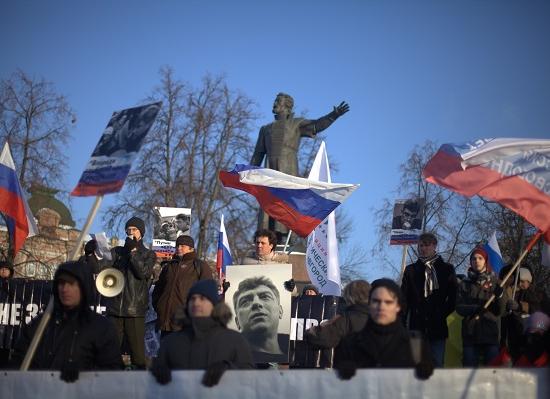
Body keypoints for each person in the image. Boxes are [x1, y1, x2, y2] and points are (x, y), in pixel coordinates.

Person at [250, 93, 349, 238]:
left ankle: (285, 238)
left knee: (286, 204)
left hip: (288, 169)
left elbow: (316, 125)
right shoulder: (265, 129)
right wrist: (248, 174)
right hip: (269, 172)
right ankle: (268, 237)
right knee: (269, 204)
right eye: (275, 100)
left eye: (278, 101)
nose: (274, 103)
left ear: (287, 106)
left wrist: (333, 115)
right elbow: (258, 154)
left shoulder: (296, 124)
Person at [11, 260, 122, 380]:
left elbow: (113, 373)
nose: (65, 289)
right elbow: (17, 362)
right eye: (61, 283)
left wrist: (84, 376)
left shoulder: (101, 328)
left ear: (83, 287)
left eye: (71, 283)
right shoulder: (41, 324)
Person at [151, 280, 254, 387]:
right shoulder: (170, 342)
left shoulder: (235, 340)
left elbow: (251, 376)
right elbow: (152, 381)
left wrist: (230, 368)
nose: (196, 303)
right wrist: (157, 370)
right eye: (192, 299)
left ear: (214, 305)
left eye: (202, 298)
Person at [335, 278, 433, 381]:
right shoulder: (350, 343)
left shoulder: (416, 344)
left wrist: (426, 369)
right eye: (376, 301)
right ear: (369, 304)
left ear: (398, 306)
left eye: (388, 302)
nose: (381, 307)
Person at [401, 232, 457, 367]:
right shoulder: (411, 270)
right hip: (416, 324)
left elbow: (454, 296)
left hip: (437, 325)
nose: (423, 248)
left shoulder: (446, 269)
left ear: (434, 246)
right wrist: (402, 321)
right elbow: (404, 299)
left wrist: (441, 313)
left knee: (437, 362)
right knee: (415, 364)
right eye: (420, 245)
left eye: (426, 245)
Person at [107, 216, 156, 369]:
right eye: (128, 230)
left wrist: (133, 252)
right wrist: (93, 256)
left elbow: (142, 272)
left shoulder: (148, 254)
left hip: (134, 309)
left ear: (141, 233)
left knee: (137, 353)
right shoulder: (117, 252)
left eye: (134, 230)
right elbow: (104, 271)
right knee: (111, 351)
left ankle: (139, 384)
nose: (130, 232)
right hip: (115, 307)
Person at [152, 235, 212, 337]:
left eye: (182, 246)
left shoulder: (200, 266)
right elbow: (158, 289)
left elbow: (207, 292)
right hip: (166, 321)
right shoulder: (169, 266)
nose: (179, 248)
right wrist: (158, 306)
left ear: (191, 248)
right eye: (177, 246)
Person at [455, 247, 506, 367]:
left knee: (491, 373)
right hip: (470, 334)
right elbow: (459, 307)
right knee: (469, 371)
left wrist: (501, 296)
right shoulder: (464, 284)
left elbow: (500, 311)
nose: (476, 261)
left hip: (490, 334)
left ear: (485, 261)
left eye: (480, 258)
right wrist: (475, 308)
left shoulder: (495, 283)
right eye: (473, 258)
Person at [233, 275, 289, 361]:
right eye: (245, 302)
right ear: (237, 322)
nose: (256, 303)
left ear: (280, 311)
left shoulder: (296, 350)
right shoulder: (232, 362)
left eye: (265, 297)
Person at [306, 279, 370, 351]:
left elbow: (319, 338)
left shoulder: (345, 319)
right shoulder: (379, 318)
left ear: (349, 296)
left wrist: (323, 325)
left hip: (349, 360)